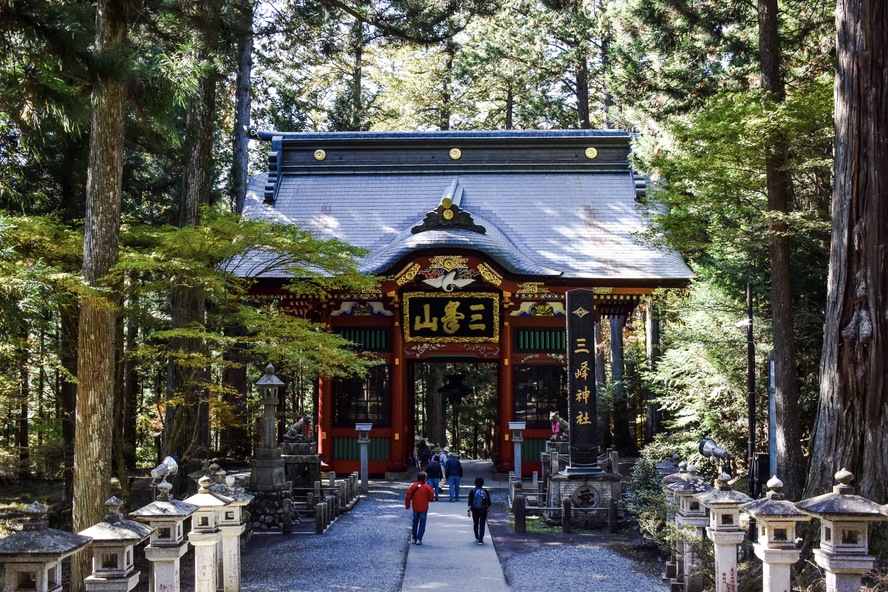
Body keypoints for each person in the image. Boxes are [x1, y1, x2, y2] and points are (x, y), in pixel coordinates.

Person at [405, 471, 435, 545]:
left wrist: (407, 505)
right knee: (422, 523)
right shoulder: (427, 487)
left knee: (415, 523)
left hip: (415, 507)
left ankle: (414, 538)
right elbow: (431, 497)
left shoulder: (413, 486)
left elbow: (408, 497)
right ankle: (419, 539)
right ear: (425, 478)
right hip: (424, 508)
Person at [467, 476, 492, 544]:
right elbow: (488, 501)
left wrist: (468, 511)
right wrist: (489, 509)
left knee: (475, 523)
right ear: (482, 483)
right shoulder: (485, 491)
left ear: (475, 483)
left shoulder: (472, 491)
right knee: (482, 523)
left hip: (475, 509)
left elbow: (470, 502)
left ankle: (477, 536)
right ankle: (481, 539)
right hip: (483, 509)